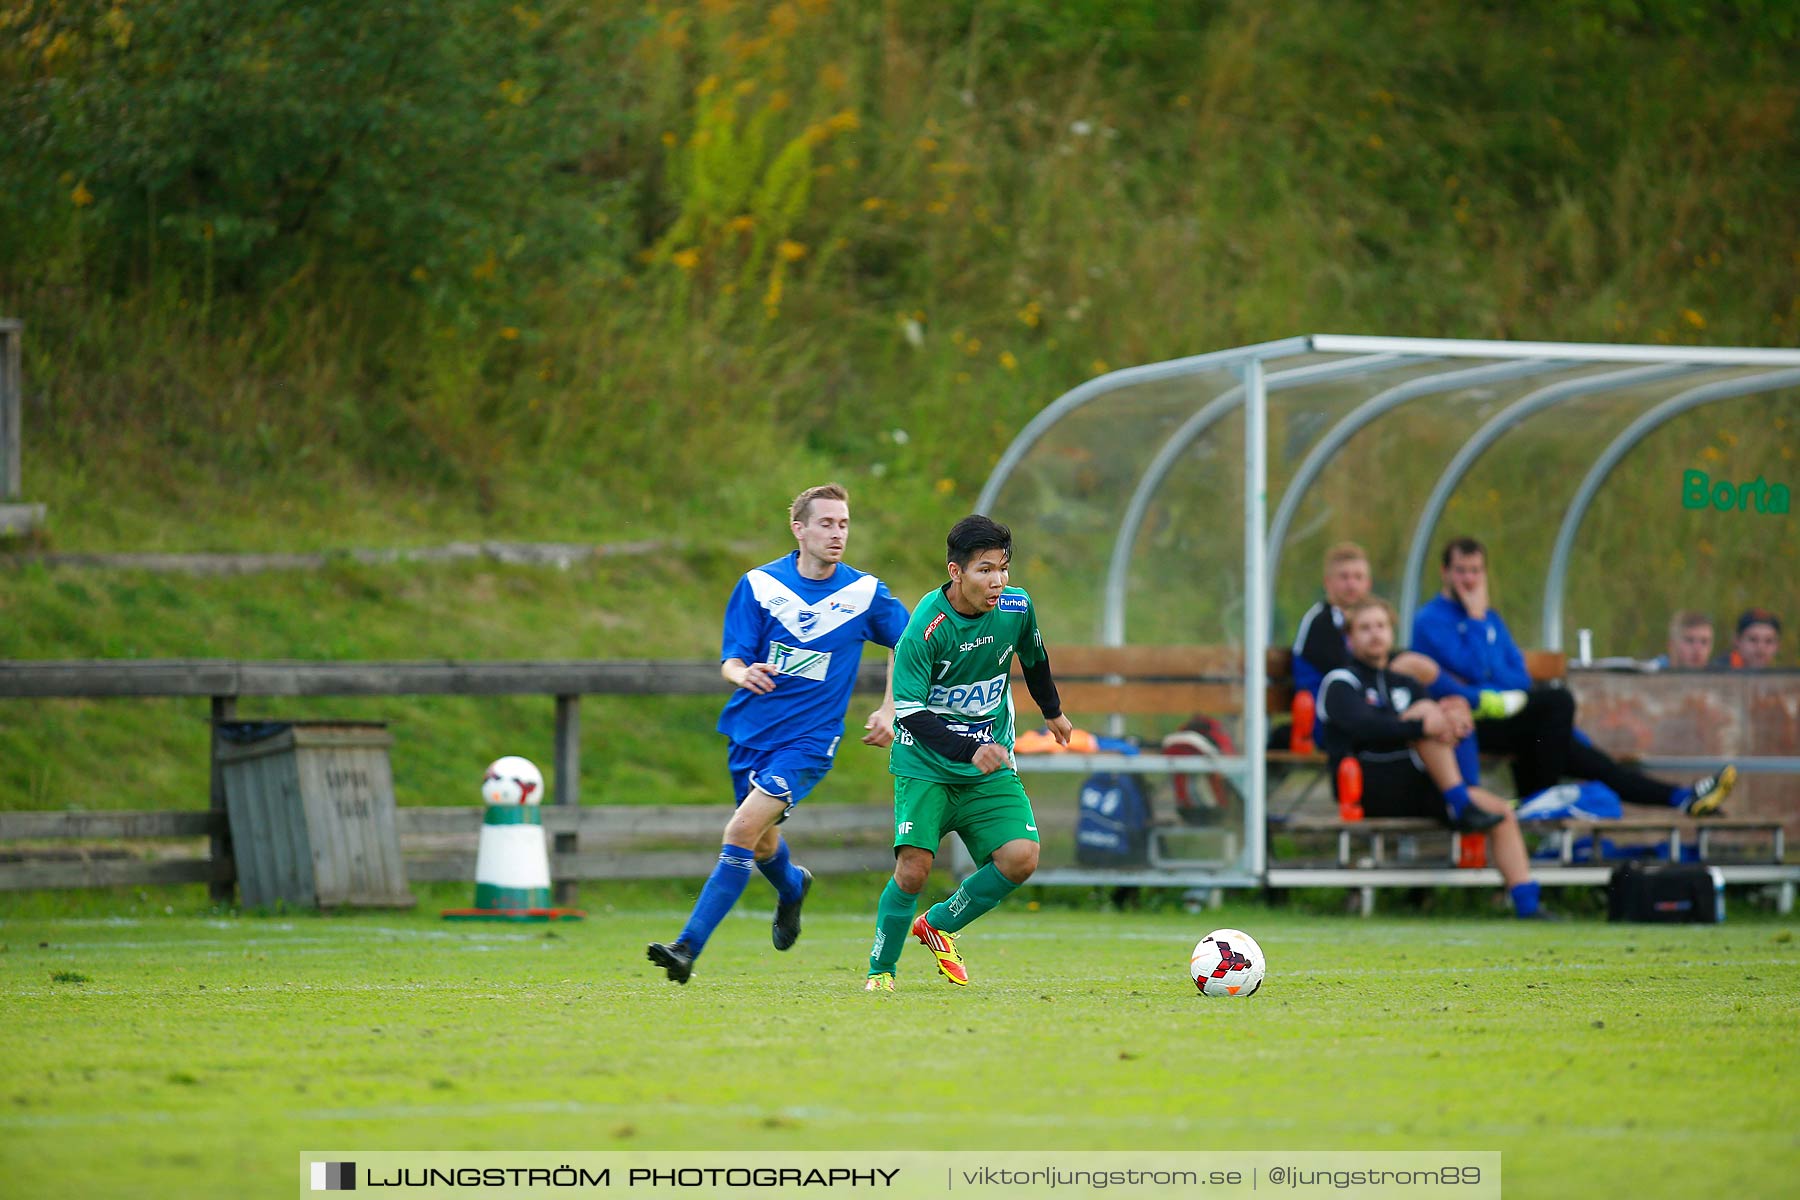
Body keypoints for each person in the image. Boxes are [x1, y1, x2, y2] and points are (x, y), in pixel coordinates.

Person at [647, 484, 910, 984]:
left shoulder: (864, 593)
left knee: (739, 832)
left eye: (844, 524)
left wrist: (890, 707)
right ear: (800, 529)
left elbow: (911, 642)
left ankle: (686, 949)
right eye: (827, 523)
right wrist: (740, 673)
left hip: (810, 742)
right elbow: (732, 657)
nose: (838, 533)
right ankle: (792, 888)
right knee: (763, 845)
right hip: (750, 731)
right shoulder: (760, 585)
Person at [862, 515, 1073, 992]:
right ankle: (881, 972)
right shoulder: (925, 627)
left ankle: (938, 925)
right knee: (913, 870)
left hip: (988, 764)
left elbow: (1035, 659)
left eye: (1002, 568)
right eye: (984, 570)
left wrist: (1053, 712)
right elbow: (910, 712)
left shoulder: (1017, 608)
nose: (997, 580)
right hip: (926, 765)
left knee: (1021, 857)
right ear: (955, 572)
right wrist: (968, 747)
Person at [1412, 536, 1736, 815]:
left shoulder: (1492, 619)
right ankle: (1540, 801)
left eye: (1476, 571)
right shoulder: (1432, 620)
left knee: (1588, 758)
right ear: (1445, 573)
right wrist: (1476, 620)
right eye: (1461, 571)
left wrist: (1485, 637)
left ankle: (1680, 798)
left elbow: (1520, 679)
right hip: (1467, 723)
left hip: (1514, 719)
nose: (1469, 581)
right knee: (1557, 702)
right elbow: (1477, 668)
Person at [1317, 597, 1551, 919]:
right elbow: (1365, 728)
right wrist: (1422, 723)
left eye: (1381, 626)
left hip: (1422, 783)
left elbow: (1437, 728)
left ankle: (1529, 907)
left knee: (1499, 811)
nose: (1375, 634)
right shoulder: (1341, 682)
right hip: (1368, 787)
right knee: (1428, 712)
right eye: (1365, 628)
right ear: (1350, 637)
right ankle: (1459, 800)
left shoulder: (1406, 683)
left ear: (1391, 632)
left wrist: (1456, 720)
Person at [1649, 610, 1713, 670]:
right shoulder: (1649, 673)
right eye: (1689, 640)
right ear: (1671, 645)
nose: (1697, 648)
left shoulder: (1715, 674)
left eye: (1704, 642)